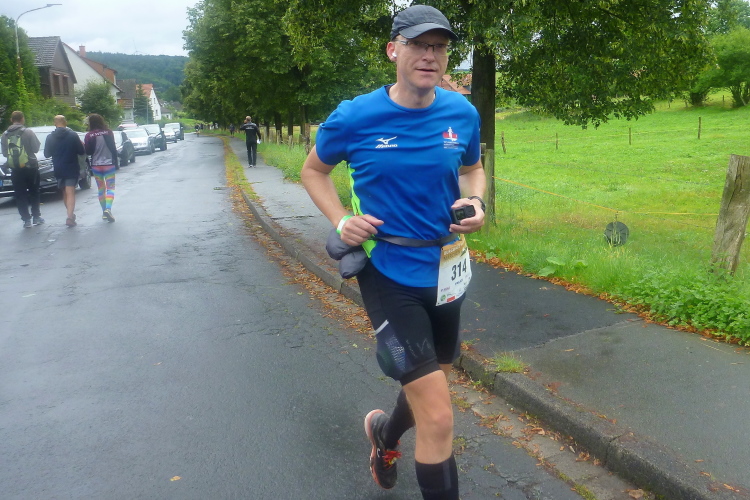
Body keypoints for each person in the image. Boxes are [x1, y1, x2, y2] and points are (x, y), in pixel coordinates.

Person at [300, 5, 485, 499]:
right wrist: (342, 220)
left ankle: (385, 434)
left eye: (439, 47)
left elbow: (472, 170)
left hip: (446, 269)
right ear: (392, 50)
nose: (429, 55)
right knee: (439, 416)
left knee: (431, 385)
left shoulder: (461, 112)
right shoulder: (355, 115)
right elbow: (313, 171)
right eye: (418, 44)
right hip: (388, 271)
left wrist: (477, 201)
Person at [1, 110, 44, 228]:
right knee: (34, 191)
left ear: (11, 120)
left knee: (20, 194)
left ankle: (26, 220)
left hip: (15, 168)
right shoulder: (28, 132)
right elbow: (36, 149)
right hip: (31, 167)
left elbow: (4, 153)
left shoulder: (5, 135)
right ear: (22, 119)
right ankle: (36, 217)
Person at [44, 115, 84, 227]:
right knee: (70, 192)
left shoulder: (50, 137)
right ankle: (70, 216)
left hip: (58, 168)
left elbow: (46, 154)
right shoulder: (73, 135)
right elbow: (81, 151)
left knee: (64, 193)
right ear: (65, 122)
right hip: (71, 167)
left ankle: (70, 214)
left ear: (55, 123)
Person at [84, 114, 118, 222]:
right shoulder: (108, 132)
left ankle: (104, 212)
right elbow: (113, 147)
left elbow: (88, 151)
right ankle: (108, 209)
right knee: (110, 188)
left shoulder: (89, 135)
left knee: (101, 189)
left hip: (96, 166)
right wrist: (116, 162)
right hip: (109, 164)